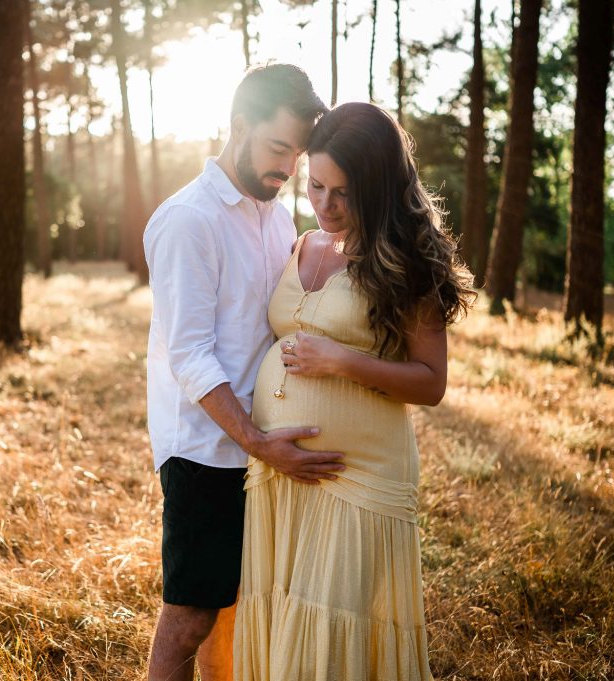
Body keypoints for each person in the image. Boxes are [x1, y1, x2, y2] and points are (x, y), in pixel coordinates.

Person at [234, 102, 476, 680]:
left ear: (379, 187)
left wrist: (344, 360)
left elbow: (431, 382)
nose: (326, 204)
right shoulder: (299, 245)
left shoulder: (406, 258)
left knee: (329, 640)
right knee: (284, 622)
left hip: (359, 474)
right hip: (281, 472)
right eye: (316, 185)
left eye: (344, 192)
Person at [142, 65, 342, 681]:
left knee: (236, 613)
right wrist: (257, 441)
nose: (288, 168)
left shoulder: (276, 216)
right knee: (192, 617)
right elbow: (190, 355)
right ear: (238, 126)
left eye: (297, 154)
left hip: (259, 448)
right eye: (277, 148)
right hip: (204, 449)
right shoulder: (189, 219)